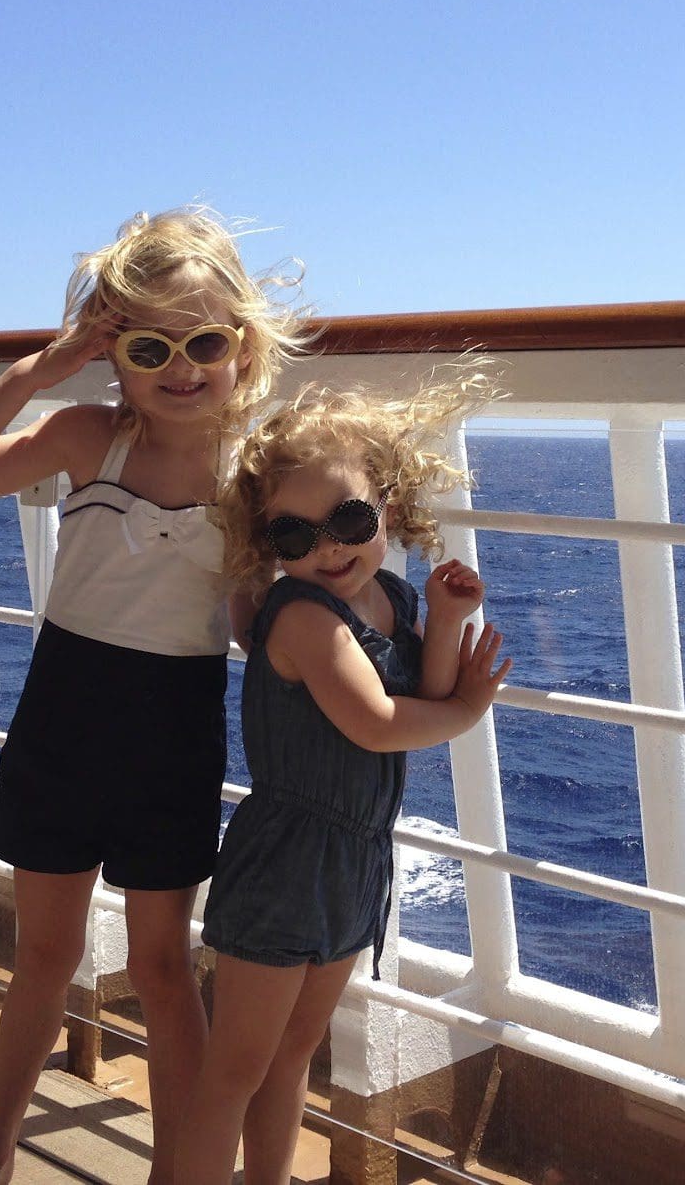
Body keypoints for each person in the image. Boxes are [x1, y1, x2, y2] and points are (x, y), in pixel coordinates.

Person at [0, 208, 301, 1185]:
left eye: (203, 341)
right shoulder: (88, 436)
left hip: (174, 732)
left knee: (163, 967)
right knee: (42, 952)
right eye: (149, 344)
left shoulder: (251, 475)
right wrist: (35, 374)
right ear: (111, 354)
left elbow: (254, 625)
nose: (180, 365)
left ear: (242, 345)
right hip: (64, 718)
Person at [177, 368, 513, 1184]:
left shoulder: (391, 596)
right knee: (235, 1070)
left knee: (295, 1054)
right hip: (289, 860)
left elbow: (416, 697)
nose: (327, 548)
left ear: (389, 507)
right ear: (270, 548)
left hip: (353, 858)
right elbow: (376, 724)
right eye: (294, 537)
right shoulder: (301, 615)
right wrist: (467, 712)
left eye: (348, 520)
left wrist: (446, 622)